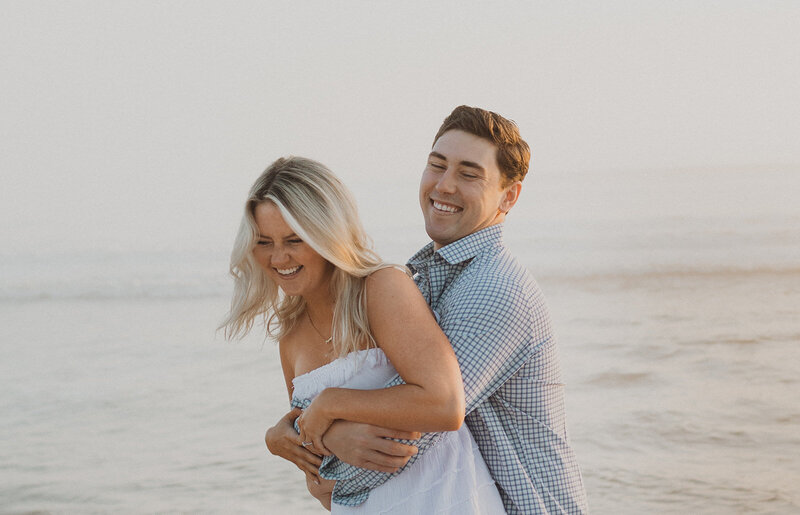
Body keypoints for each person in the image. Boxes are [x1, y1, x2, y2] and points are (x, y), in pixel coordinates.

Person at [268, 106, 589, 514]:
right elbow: (382, 401)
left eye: (468, 174)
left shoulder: (493, 289)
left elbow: (404, 444)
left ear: (509, 196)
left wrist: (318, 448)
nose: (444, 185)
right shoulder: (429, 278)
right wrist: (294, 430)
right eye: (437, 166)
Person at [222, 156, 506, 512]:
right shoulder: (291, 337)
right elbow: (322, 482)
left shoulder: (380, 287)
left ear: (327, 234)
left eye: (295, 240)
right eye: (264, 242)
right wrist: (282, 440)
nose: (279, 258)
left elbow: (445, 404)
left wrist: (332, 404)